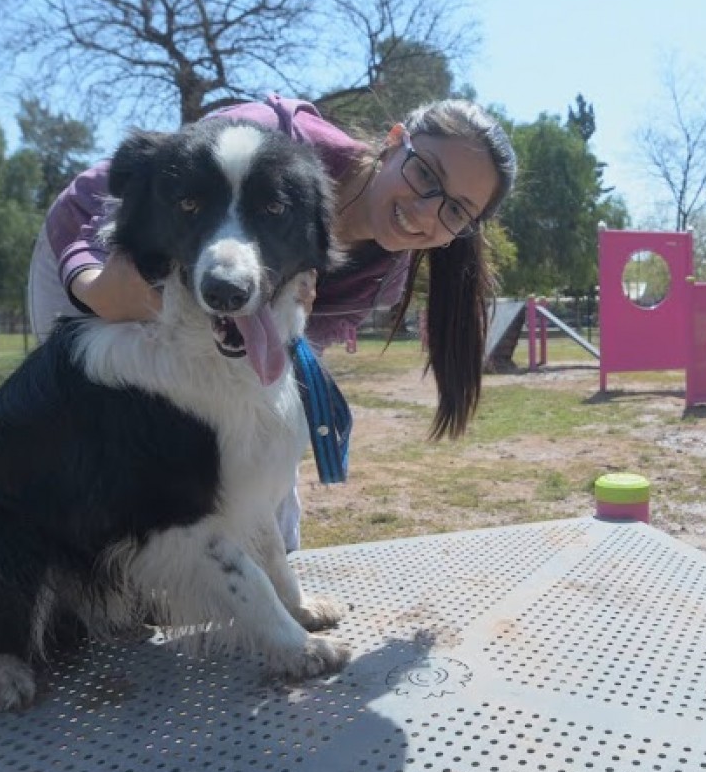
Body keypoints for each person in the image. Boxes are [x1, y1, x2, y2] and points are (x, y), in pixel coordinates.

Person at [27, 95, 518, 548]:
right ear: (393, 142)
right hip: (94, 260)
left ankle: (259, 583)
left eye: (456, 210)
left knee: (258, 452)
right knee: (122, 464)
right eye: (426, 174)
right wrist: (92, 285)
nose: (426, 211)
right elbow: (92, 199)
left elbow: (274, 380)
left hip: (218, 312)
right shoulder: (269, 139)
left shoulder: (383, 275)